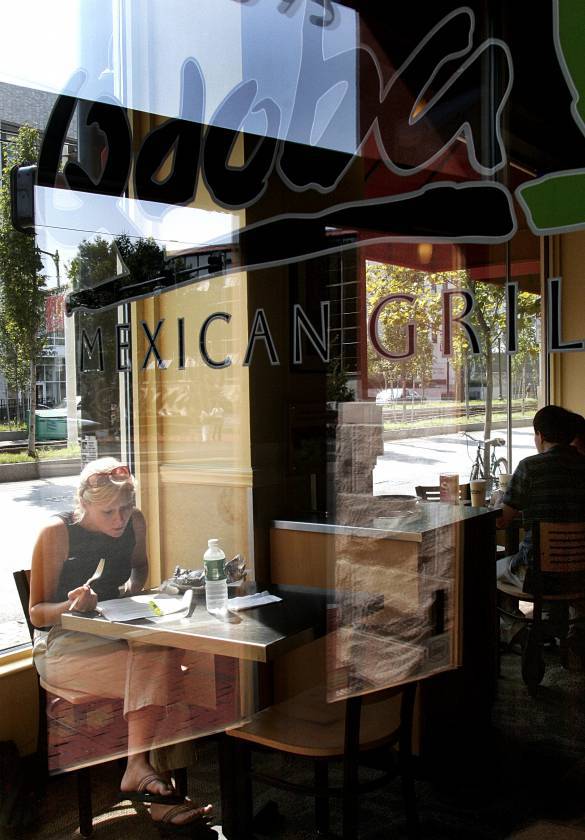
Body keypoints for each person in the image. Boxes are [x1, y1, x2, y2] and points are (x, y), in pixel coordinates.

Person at [29, 457, 213, 835]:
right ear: (84, 505)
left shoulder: (136, 522)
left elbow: (139, 568)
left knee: (159, 657)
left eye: (125, 509)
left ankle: (145, 778)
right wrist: (70, 605)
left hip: (116, 635)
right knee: (164, 671)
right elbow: (37, 614)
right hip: (61, 645)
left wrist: (132, 591)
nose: (119, 520)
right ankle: (152, 785)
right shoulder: (56, 532)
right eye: (108, 512)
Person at [496, 405, 585, 646]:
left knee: (492, 570)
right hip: (580, 575)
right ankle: (570, 633)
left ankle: (516, 631)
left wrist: (499, 500)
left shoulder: (530, 467)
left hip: (538, 576)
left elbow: (503, 519)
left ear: (541, 436)